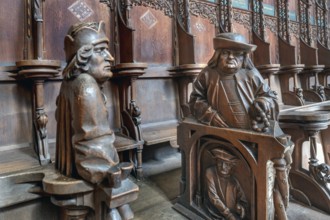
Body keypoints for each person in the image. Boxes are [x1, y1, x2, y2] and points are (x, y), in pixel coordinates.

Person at [55, 21, 119, 184]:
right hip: (91, 180)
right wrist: (111, 177)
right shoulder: (86, 85)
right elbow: (95, 160)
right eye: (100, 50)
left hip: (71, 170)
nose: (110, 57)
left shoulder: (70, 82)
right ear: (81, 56)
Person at [189, 33, 278, 132]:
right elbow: (195, 99)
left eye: (237, 53)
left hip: (251, 129)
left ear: (244, 57)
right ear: (218, 55)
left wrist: (264, 102)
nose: (231, 57)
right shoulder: (207, 74)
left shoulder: (251, 73)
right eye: (225, 53)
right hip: (219, 131)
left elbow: (269, 95)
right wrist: (210, 116)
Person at [205, 148, 247, 220]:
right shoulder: (210, 172)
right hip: (214, 212)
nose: (223, 167)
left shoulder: (234, 181)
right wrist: (228, 215)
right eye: (220, 162)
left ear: (231, 166)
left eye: (227, 164)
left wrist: (240, 206)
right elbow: (213, 197)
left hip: (232, 214)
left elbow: (242, 199)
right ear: (216, 162)